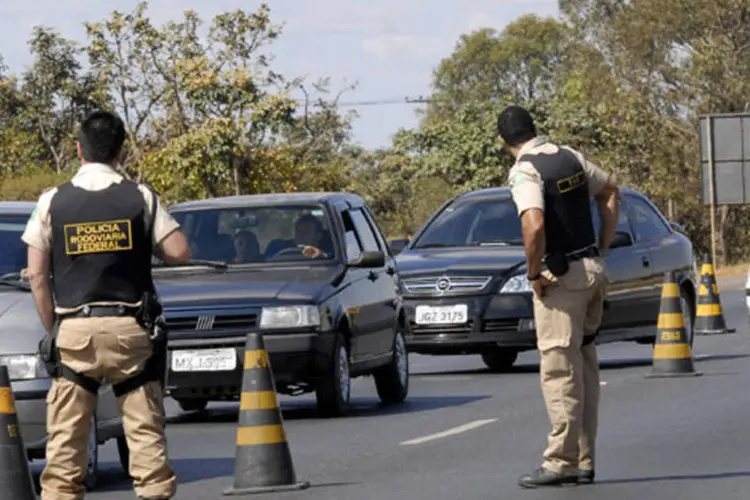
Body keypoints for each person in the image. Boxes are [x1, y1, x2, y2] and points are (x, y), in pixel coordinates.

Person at [22, 109, 192, 500]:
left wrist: (53, 330)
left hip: (75, 332)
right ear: (121, 151)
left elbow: (35, 276)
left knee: (64, 449)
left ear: (79, 150)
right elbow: (179, 252)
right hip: (129, 330)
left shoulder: (52, 201)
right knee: (146, 438)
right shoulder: (140, 197)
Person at [496, 105, 619, 488]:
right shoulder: (570, 157)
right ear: (534, 129)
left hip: (561, 282)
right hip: (592, 271)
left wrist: (534, 274)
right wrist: (602, 247)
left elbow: (533, 226)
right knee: (583, 365)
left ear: (504, 142)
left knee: (559, 370)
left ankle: (560, 462)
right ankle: (585, 459)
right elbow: (611, 191)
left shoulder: (525, 170)